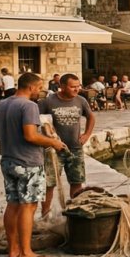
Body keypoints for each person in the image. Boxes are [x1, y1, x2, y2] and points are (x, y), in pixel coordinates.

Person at [0, 72, 66, 257]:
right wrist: (53, 142)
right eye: (39, 88)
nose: (39, 92)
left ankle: (13, 249)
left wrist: (11, 137)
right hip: (28, 162)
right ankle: (26, 253)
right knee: (28, 206)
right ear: (31, 87)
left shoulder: (2, 104)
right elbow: (31, 136)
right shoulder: (29, 106)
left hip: (8, 160)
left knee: (13, 204)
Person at [39, 74, 95, 218]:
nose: (77, 89)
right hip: (54, 150)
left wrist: (86, 135)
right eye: (73, 86)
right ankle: (45, 214)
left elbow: (91, 117)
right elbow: (37, 121)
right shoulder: (48, 101)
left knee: (77, 181)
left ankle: (74, 211)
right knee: (49, 183)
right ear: (62, 86)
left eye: (78, 86)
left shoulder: (81, 101)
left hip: (75, 148)